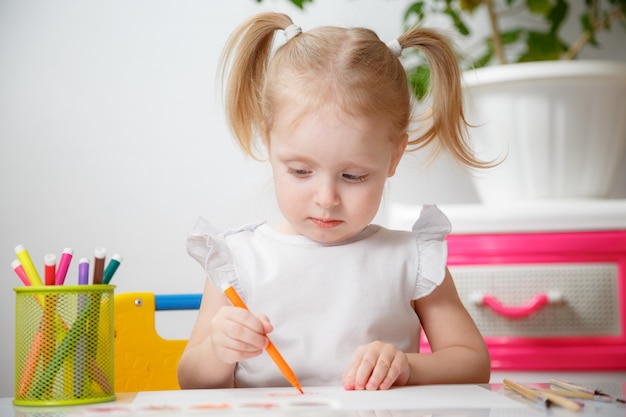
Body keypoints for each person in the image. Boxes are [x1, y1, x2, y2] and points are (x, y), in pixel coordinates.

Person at [178, 12, 491, 391]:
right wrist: (218, 350)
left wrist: (409, 367)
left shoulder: (413, 258)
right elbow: (190, 380)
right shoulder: (236, 261)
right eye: (300, 171)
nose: (326, 199)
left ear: (393, 156)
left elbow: (472, 363)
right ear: (269, 141)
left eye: (353, 176)